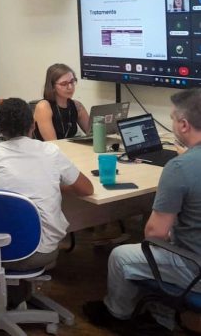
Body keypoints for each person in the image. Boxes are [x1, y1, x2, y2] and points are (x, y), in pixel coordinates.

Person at [84, 88, 201, 333]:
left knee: (120, 256)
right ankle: (161, 315)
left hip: (195, 268)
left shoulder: (180, 167)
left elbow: (154, 234)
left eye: (172, 118)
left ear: (183, 125)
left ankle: (118, 314)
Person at [0, 98, 93, 270]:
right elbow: (87, 189)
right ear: (33, 124)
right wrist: (55, 185)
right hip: (40, 252)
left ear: (0, 128)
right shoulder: (51, 151)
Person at [33, 63, 89, 140]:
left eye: (72, 81)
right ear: (52, 86)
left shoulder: (77, 105)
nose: (70, 87)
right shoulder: (43, 107)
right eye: (64, 84)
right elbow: (53, 143)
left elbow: (93, 133)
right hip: (50, 147)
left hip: (70, 147)